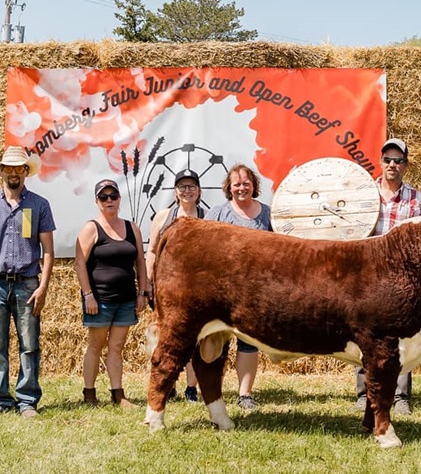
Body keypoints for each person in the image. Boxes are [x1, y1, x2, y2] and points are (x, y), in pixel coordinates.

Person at [0, 146, 55, 418]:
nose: (13, 173)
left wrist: (43, 287)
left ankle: (27, 400)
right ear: (1, 171)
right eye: (9, 168)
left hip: (27, 284)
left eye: (19, 168)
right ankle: (0, 399)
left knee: (29, 345)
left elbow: (48, 251)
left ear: (26, 171)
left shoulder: (40, 205)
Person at [353, 138, 421, 416]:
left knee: (400, 337)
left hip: (401, 278)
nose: (392, 165)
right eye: (388, 160)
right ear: (380, 163)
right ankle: (364, 393)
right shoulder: (364, 194)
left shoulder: (416, 199)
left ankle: (400, 396)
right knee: (365, 334)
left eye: (398, 161)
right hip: (367, 275)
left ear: (406, 166)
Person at [74, 178, 148, 409]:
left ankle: (118, 395)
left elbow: (140, 262)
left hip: (126, 299)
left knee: (117, 347)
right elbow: (79, 263)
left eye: (113, 196)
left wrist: (142, 292)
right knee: (95, 346)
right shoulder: (91, 228)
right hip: (100, 300)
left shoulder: (132, 228)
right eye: (104, 197)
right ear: (97, 201)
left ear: (119, 199)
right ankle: (89, 393)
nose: (109, 200)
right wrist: (88, 295)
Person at [205, 163, 273, 410]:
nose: (242, 188)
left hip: (254, 291)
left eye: (246, 183)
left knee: (249, 342)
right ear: (229, 187)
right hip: (221, 291)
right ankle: (213, 391)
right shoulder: (217, 213)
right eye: (237, 184)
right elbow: (204, 249)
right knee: (216, 342)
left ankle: (245, 394)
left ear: (254, 186)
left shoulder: (268, 214)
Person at [146, 169, 205, 403]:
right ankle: (167, 385)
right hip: (167, 289)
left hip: (197, 289)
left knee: (195, 340)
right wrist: (149, 282)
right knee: (165, 337)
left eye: (191, 186)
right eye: (182, 187)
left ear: (198, 191)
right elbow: (152, 251)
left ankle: (192, 388)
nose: (186, 191)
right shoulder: (163, 217)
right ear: (175, 192)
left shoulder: (208, 217)